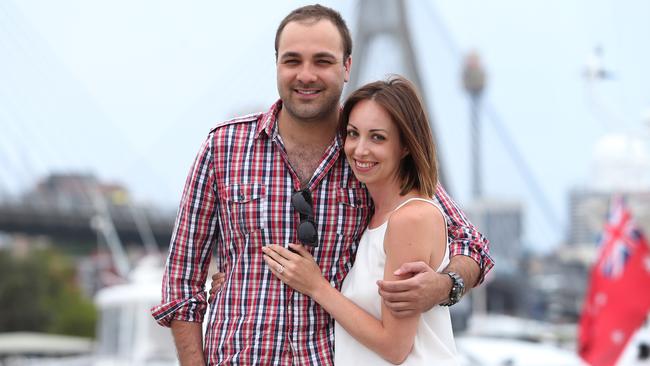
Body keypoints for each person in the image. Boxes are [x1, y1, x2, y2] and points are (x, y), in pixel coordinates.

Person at [152, 4, 492, 365]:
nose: (306, 75)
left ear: (347, 67)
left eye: (323, 61)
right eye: (293, 60)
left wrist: (443, 286)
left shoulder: (370, 154)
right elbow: (181, 282)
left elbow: (471, 244)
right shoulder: (224, 148)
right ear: (277, 65)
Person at [262, 75, 458, 365]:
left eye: (377, 137)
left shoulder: (411, 219)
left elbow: (395, 346)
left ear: (405, 146)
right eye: (353, 134)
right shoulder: (380, 215)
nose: (359, 149)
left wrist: (317, 286)